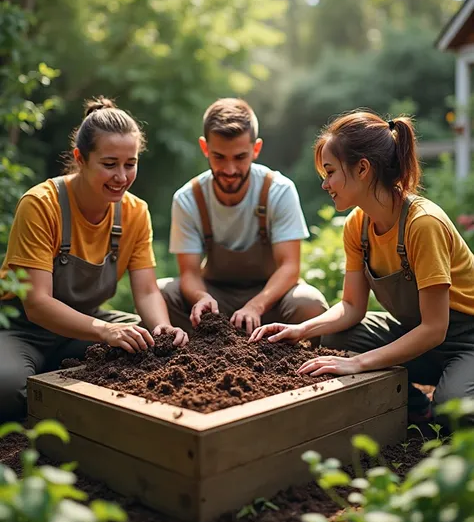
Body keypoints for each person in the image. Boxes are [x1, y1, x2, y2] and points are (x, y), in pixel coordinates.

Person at [250, 110, 474, 426]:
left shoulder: (422, 225)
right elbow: (352, 306)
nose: (325, 184)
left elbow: (435, 328)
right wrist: (302, 330)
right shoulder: (358, 225)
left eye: (330, 172)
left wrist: (359, 364)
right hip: (419, 335)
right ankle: (413, 406)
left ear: (363, 168)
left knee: (454, 409)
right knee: (337, 338)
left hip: (465, 341)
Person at [0, 97, 188, 423]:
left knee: (150, 348)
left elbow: (145, 291)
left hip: (84, 326)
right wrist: (104, 331)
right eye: (109, 163)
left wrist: (162, 329)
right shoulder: (41, 205)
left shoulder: (135, 212)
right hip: (23, 329)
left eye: (130, 164)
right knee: (7, 390)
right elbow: (37, 304)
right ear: (81, 159)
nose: (121, 176)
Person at [159, 98, 328, 335]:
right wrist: (201, 297)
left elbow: (290, 267)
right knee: (161, 294)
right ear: (205, 148)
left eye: (239, 157)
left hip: (269, 298)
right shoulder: (188, 199)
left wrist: (256, 306)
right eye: (219, 157)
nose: (229, 170)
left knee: (310, 304)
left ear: (255, 149)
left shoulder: (278, 190)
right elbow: (189, 273)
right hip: (214, 299)